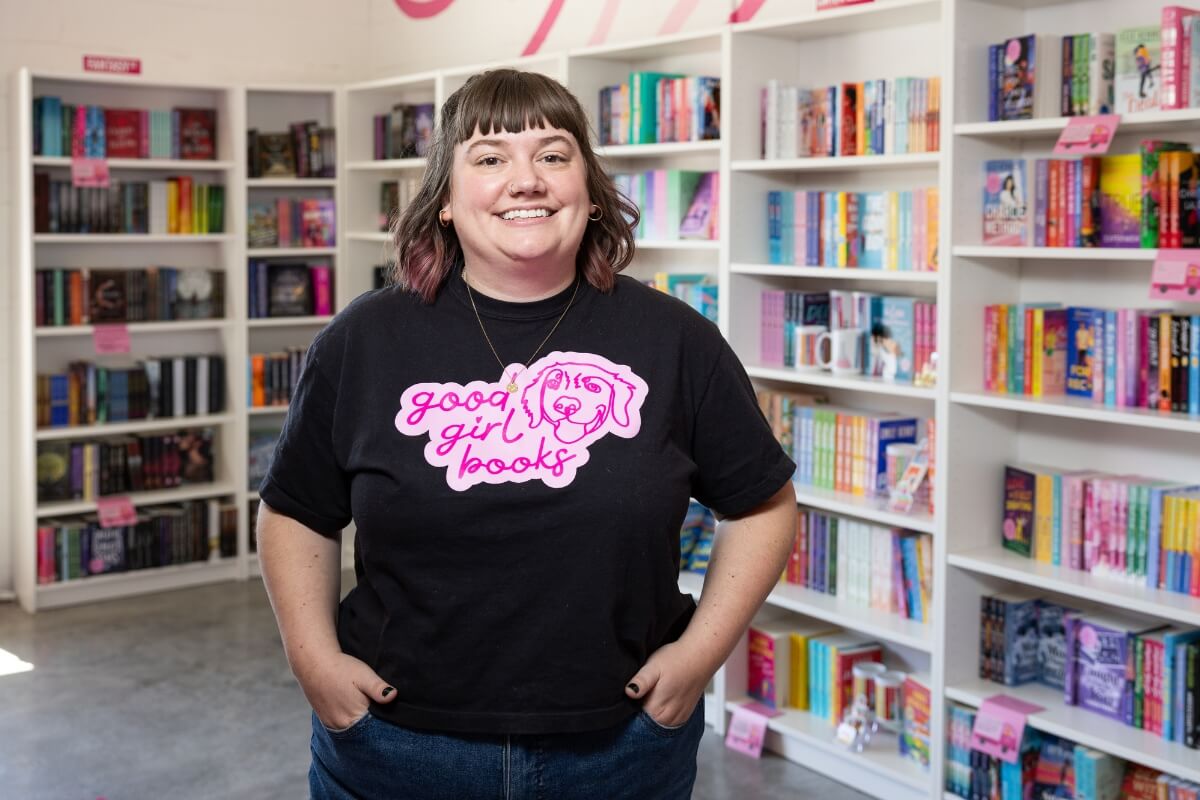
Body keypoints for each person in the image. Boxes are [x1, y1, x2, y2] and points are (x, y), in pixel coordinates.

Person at [256, 68, 797, 800]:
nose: (526, 180)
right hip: (398, 748)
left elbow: (763, 505)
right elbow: (297, 510)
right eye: (488, 158)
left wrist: (701, 656)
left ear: (589, 189)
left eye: (552, 155)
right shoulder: (364, 340)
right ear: (445, 200)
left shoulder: (676, 341)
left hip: (619, 751)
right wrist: (312, 657)